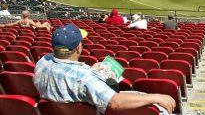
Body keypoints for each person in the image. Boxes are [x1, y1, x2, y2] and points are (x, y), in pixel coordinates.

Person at [34, 24, 175, 114]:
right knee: (154, 104)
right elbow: (114, 102)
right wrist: (157, 96)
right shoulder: (84, 78)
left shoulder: (42, 62)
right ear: (78, 47)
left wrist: (91, 71)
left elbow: (66, 74)